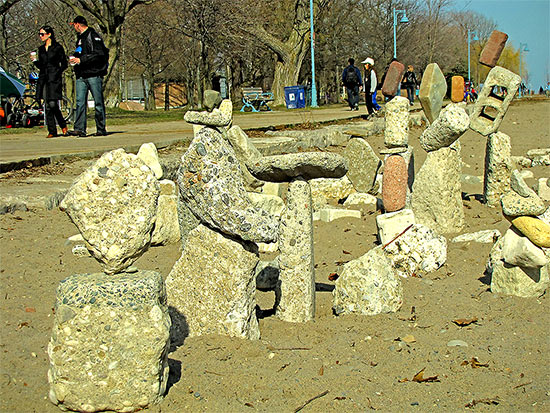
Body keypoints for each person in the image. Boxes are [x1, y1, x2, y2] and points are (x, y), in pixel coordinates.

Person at [68, 16, 108, 137]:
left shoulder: (93, 36)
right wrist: (75, 59)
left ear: (78, 24)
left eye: (74, 25)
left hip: (93, 74)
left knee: (98, 102)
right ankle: (79, 128)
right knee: (80, 102)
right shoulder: (80, 38)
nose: (74, 28)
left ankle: (101, 128)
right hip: (81, 75)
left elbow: (99, 54)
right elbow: (80, 52)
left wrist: (81, 60)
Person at [32, 26, 68, 138]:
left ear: (49, 34)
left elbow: (64, 64)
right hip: (44, 79)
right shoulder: (41, 49)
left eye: (42, 34)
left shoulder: (57, 48)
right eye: (40, 34)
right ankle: (52, 131)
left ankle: (63, 124)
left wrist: (58, 72)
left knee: (53, 104)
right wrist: (34, 61)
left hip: (54, 79)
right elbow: (42, 66)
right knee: (47, 105)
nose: (40, 36)